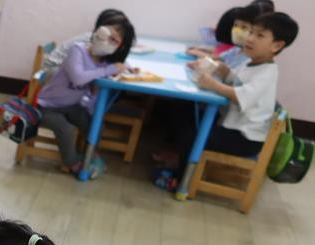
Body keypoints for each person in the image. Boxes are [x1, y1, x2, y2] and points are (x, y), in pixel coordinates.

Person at [155, 11, 297, 189]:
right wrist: (219, 68)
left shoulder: (267, 73)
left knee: (192, 137)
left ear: (276, 45)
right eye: (251, 32)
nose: (250, 38)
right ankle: (179, 157)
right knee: (184, 111)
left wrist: (213, 84)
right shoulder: (251, 63)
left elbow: (239, 95)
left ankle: (181, 181)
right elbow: (234, 79)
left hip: (245, 138)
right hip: (232, 126)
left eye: (259, 35)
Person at [36, 17, 136, 178]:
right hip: (47, 106)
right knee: (66, 129)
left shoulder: (104, 61)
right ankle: (73, 163)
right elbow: (78, 78)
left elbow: (115, 66)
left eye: (114, 40)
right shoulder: (77, 50)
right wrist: (109, 70)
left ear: (119, 47)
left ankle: (90, 154)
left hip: (72, 106)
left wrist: (126, 67)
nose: (105, 40)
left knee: (95, 124)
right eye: (106, 33)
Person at [40, 9, 127, 76]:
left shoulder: (97, 37)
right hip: (52, 70)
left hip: (58, 66)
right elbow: (86, 69)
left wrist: (124, 66)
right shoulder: (93, 41)